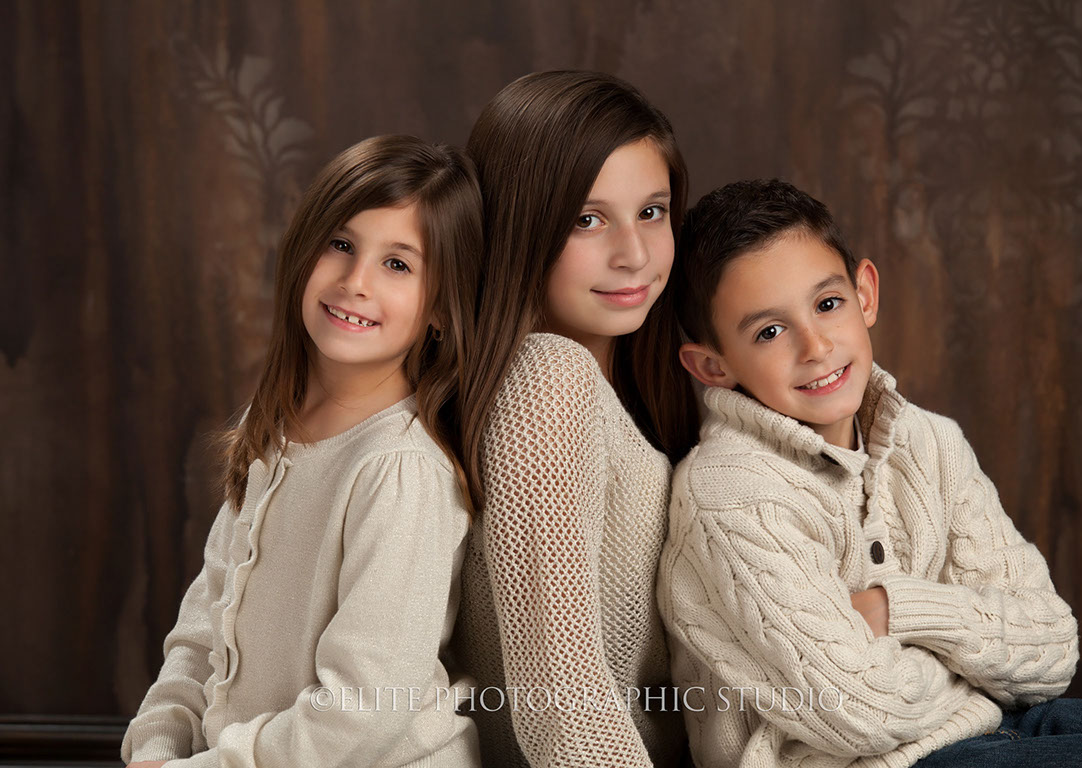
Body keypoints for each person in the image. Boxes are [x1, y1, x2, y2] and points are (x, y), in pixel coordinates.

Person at [658, 178, 1082, 767]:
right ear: (712, 366)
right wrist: (981, 663)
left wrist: (898, 608)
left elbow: (1053, 647)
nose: (815, 346)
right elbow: (862, 708)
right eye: (769, 332)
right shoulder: (730, 493)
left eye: (827, 304)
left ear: (864, 294)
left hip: (994, 726)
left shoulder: (929, 442)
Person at [121, 135, 484, 767]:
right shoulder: (271, 430)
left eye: (398, 265)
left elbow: (364, 710)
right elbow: (204, 632)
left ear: (440, 310)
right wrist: (158, 745)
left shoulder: (400, 470)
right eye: (340, 245)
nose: (355, 282)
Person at [451, 71, 699, 768]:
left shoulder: (638, 389)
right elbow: (562, 707)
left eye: (652, 211)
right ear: (518, 225)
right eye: (586, 220)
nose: (634, 254)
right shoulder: (546, 379)